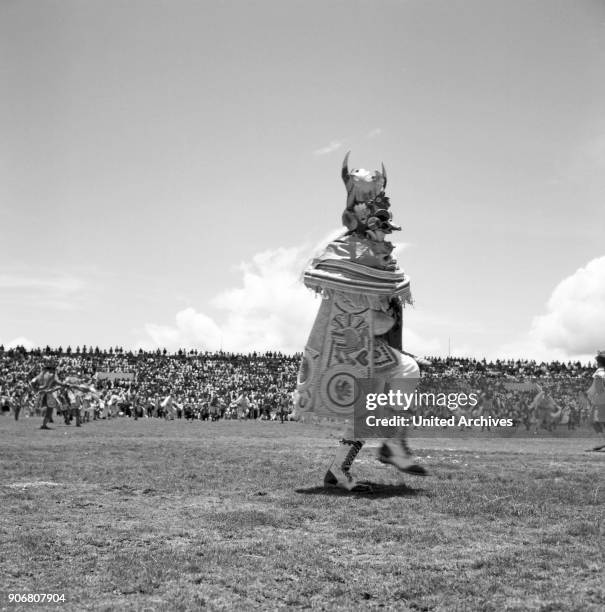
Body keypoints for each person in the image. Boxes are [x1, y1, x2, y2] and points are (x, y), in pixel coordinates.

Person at [293, 152, 426, 490]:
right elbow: (319, 273)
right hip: (352, 346)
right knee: (405, 372)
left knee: (371, 406)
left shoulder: (375, 256)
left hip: (365, 345)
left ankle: (340, 470)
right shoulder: (348, 250)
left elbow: (383, 306)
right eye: (374, 212)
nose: (382, 225)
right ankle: (393, 442)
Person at [587, 350, 605, 451]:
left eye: (597, 362)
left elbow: (597, 387)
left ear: (600, 363)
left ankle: (602, 441)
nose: (596, 363)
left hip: (601, 400)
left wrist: (588, 395)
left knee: (594, 421)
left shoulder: (599, 372)